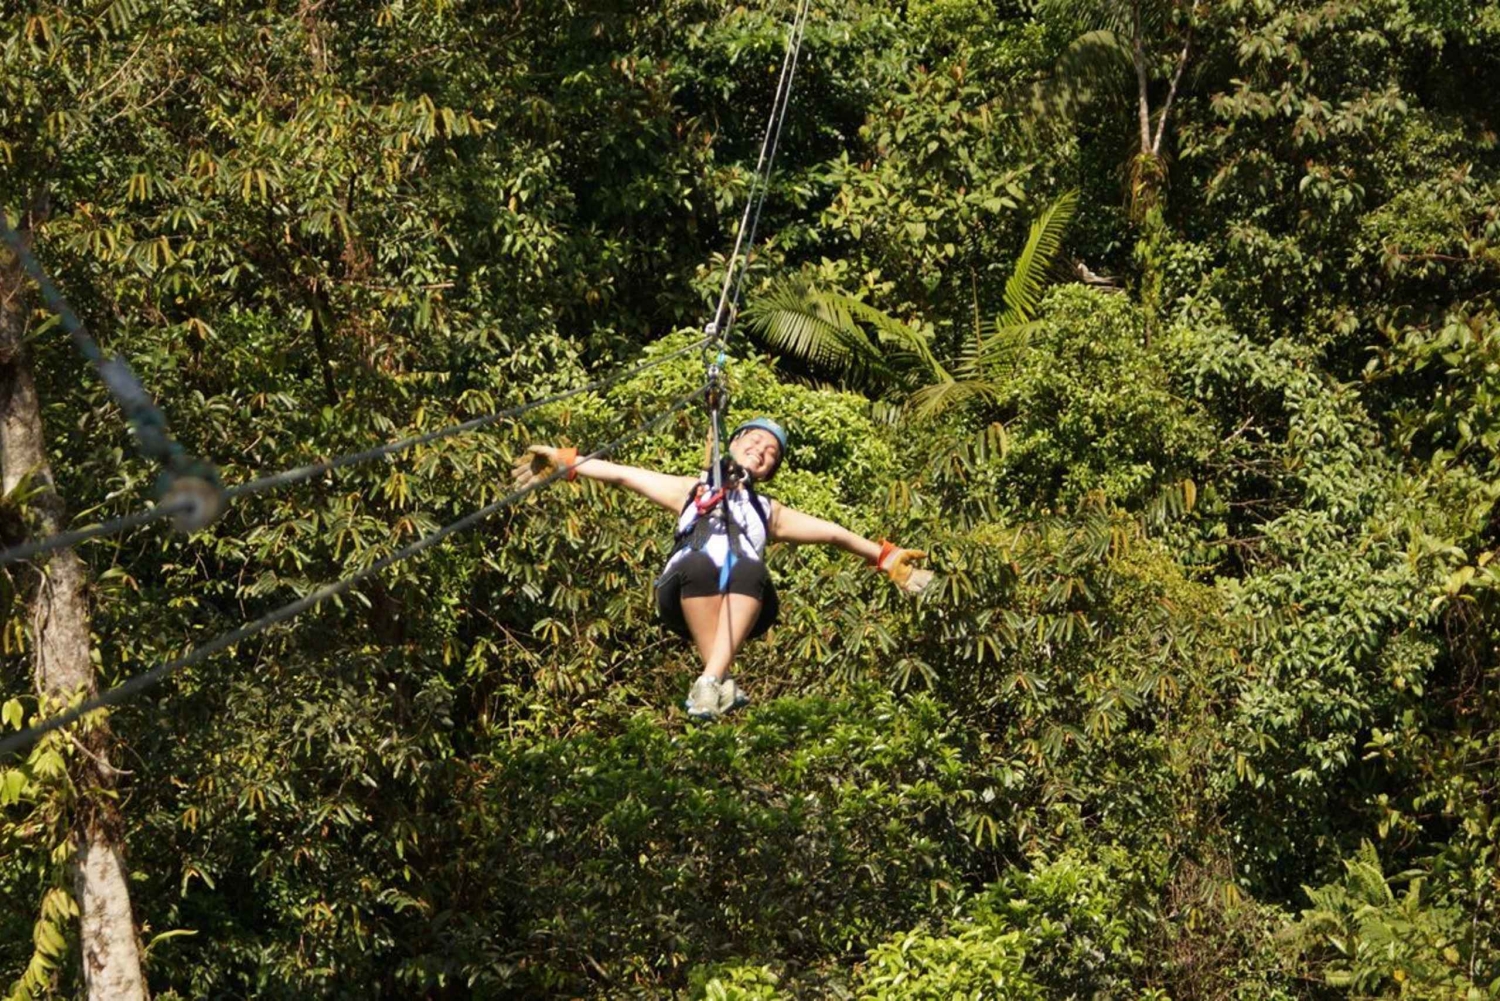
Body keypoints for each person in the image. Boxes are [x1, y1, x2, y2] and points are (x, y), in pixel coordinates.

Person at [511, 417, 932, 721]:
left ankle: (711, 681)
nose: (761, 451)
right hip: (686, 586)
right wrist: (567, 462)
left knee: (750, 568)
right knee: (700, 560)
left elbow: (835, 534)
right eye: (754, 440)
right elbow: (623, 475)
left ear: (770, 470)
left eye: (770, 453)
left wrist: (885, 557)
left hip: (744, 595)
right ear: (733, 443)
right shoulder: (688, 489)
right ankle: (717, 678)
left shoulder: (769, 511)